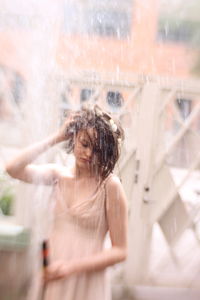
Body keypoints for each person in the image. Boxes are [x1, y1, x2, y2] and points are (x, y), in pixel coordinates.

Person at [5, 105, 128, 300]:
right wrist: (57, 136)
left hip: (85, 278)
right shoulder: (58, 176)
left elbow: (120, 251)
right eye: (84, 144)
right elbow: (13, 168)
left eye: (97, 150)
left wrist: (71, 268)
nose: (88, 154)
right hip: (53, 269)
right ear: (75, 138)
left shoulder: (109, 186)